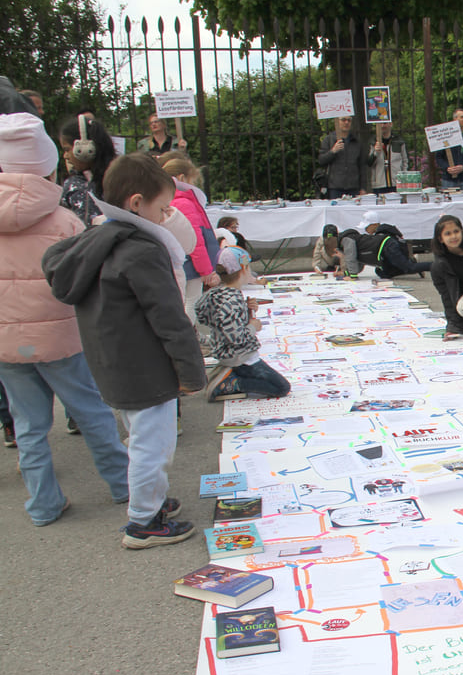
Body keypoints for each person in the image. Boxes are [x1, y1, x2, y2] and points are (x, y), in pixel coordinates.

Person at [42, 153, 205, 548]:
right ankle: (143, 521)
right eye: (162, 208)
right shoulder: (141, 251)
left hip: (113, 361)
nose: (166, 216)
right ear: (136, 203)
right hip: (145, 366)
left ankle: (150, 503)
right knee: (153, 446)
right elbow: (169, 318)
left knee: (141, 437)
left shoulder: (97, 240)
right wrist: (190, 372)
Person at [0, 112, 131, 527]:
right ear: (48, 164)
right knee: (91, 410)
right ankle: (122, 483)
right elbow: (84, 278)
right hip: (59, 334)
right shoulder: (63, 220)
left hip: (6, 339)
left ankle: (43, 504)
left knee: (29, 426)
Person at [195, 247, 290, 402]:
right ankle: (230, 383)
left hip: (228, 352)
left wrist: (245, 310)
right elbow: (237, 337)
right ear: (244, 269)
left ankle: (227, 373)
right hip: (240, 356)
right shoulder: (231, 300)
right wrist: (253, 326)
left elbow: (212, 318)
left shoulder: (219, 293)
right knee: (282, 387)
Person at [158, 151, 219, 324]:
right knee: (192, 301)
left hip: (181, 260)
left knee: (183, 301)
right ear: (182, 178)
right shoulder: (184, 202)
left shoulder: (168, 200)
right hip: (191, 264)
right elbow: (196, 241)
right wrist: (206, 270)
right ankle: (190, 338)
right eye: (192, 181)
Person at [58, 114, 117, 226]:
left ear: (85, 148)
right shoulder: (71, 184)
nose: (65, 156)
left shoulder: (118, 180)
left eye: (67, 149)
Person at [338, 211, 429, 279]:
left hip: (389, 247)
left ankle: (435, 266)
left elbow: (352, 258)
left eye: (367, 226)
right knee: (383, 273)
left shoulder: (382, 233)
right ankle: (415, 266)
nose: (365, 229)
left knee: (409, 268)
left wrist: (352, 275)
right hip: (388, 248)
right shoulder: (382, 232)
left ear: (374, 224)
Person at [317, 115, 370, 198]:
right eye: (343, 120)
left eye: (349, 120)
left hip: (353, 187)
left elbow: (362, 166)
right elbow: (321, 160)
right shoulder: (329, 140)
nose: (346, 122)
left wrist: (363, 187)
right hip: (335, 187)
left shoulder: (356, 142)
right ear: (337, 122)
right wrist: (333, 151)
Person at [436, 108, 463, 191]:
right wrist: (447, 168)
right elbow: (439, 157)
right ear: (455, 119)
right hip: (449, 180)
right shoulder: (446, 135)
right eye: (462, 117)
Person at [368, 124, 408, 194]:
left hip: (396, 183)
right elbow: (369, 163)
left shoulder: (399, 141)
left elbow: (405, 161)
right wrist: (376, 153)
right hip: (379, 184)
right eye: (381, 123)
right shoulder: (373, 142)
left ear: (391, 124)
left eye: (385, 123)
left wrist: (403, 178)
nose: (383, 125)